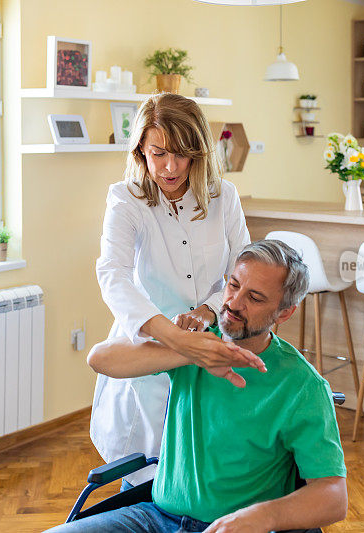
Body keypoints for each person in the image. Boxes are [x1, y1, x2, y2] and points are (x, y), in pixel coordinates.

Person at [51, 240, 347, 533]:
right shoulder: (195, 342)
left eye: (254, 298)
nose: (233, 303)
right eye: (233, 285)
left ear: (284, 313)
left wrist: (264, 517)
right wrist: (192, 352)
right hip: (154, 518)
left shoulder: (302, 385)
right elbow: (100, 358)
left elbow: (333, 496)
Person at [93, 93, 255, 488]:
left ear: (198, 152)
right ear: (140, 151)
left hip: (210, 342)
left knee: (205, 470)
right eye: (158, 153)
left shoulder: (223, 197)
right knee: (145, 473)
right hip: (148, 346)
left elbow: (243, 270)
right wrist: (174, 337)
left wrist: (208, 310)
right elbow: (113, 273)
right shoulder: (126, 199)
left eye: (181, 154)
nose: (169, 167)